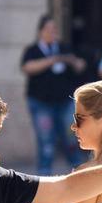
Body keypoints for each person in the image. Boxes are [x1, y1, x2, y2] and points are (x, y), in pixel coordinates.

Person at [21, 14, 88, 175]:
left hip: (65, 101)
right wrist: (52, 60)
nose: (52, 32)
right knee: (46, 139)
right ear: (40, 31)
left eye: (54, 29)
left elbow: (81, 66)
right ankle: (44, 174)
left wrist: (71, 60)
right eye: (48, 29)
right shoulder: (33, 50)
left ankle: (78, 170)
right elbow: (27, 67)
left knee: (71, 134)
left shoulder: (64, 48)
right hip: (41, 102)